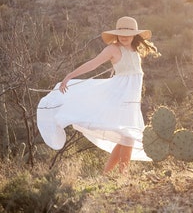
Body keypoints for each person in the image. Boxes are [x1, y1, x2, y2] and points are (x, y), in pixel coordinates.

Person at [37, 16, 160, 174]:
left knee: (126, 136)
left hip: (132, 98)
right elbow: (93, 63)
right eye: (121, 33)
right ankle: (123, 174)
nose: (124, 37)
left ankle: (106, 174)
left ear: (135, 35)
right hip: (119, 97)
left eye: (128, 34)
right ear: (116, 34)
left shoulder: (135, 49)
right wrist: (69, 76)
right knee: (128, 134)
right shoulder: (113, 49)